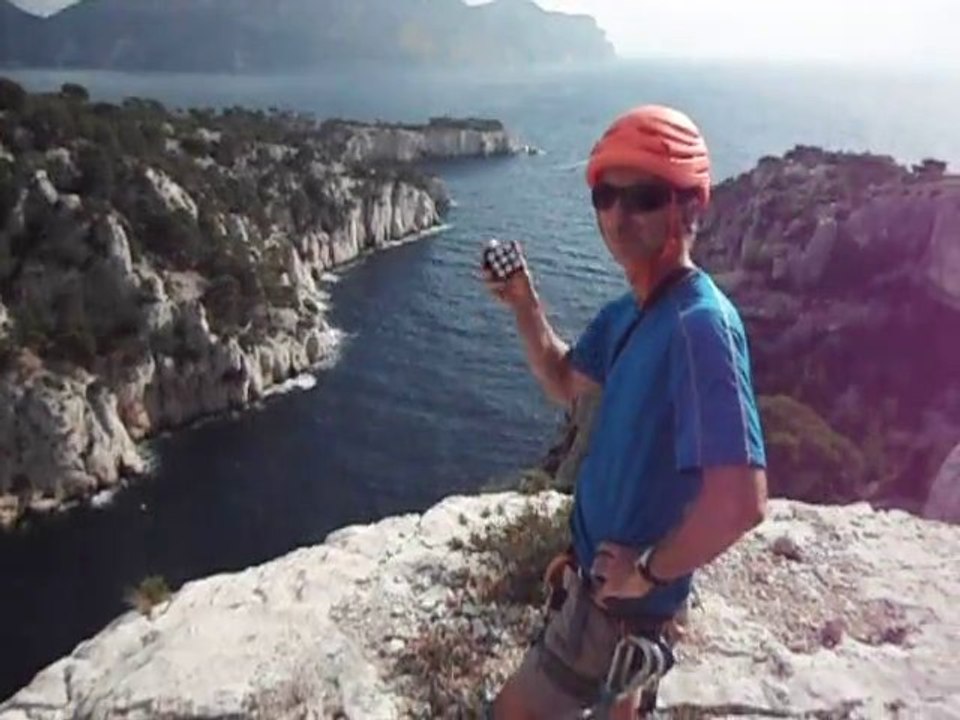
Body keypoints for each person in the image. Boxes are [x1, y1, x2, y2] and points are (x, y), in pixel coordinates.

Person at [482, 104, 769, 719]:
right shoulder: (629, 313)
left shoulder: (701, 328)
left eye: (642, 196)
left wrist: (648, 571)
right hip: (601, 592)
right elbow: (565, 381)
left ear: (692, 205)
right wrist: (525, 303)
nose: (617, 216)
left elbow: (742, 500)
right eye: (605, 196)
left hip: (619, 610)